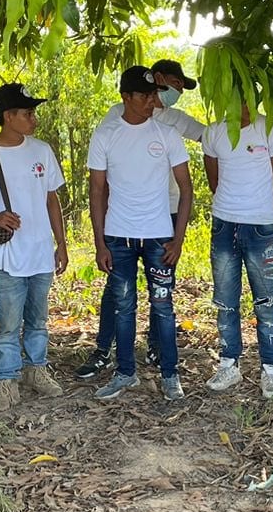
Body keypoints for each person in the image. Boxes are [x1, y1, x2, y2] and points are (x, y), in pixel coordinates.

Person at [75, 57, 204, 380]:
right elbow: (99, 188)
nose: (174, 93)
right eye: (173, 86)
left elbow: (209, 138)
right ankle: (108, 352)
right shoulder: (112, 125)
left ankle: (161, 356)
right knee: (119, 296)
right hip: (122, 223)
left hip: (166, 217)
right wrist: (100, 239)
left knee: (162, 295)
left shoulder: (171, 124)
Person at [0, 84, 69, 411]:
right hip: (7, 255)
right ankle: (7, 381)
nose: (34, 119)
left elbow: (52, 199)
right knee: (8, 325)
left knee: (38, 320)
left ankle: (37, 370)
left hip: (39, 251)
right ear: (9, 116)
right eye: (28, 113)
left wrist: (61, 244)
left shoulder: (42, 150)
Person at [203, 103, 273, 398]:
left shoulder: (269, 129)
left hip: (260, 229)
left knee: (266, 302)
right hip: (224, 226)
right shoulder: (215, 132)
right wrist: (231, 206)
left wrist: (267, 214)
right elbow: (213, 178)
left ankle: (270, 371)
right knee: (226, 300)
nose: (237, 99)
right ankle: (229, 365)